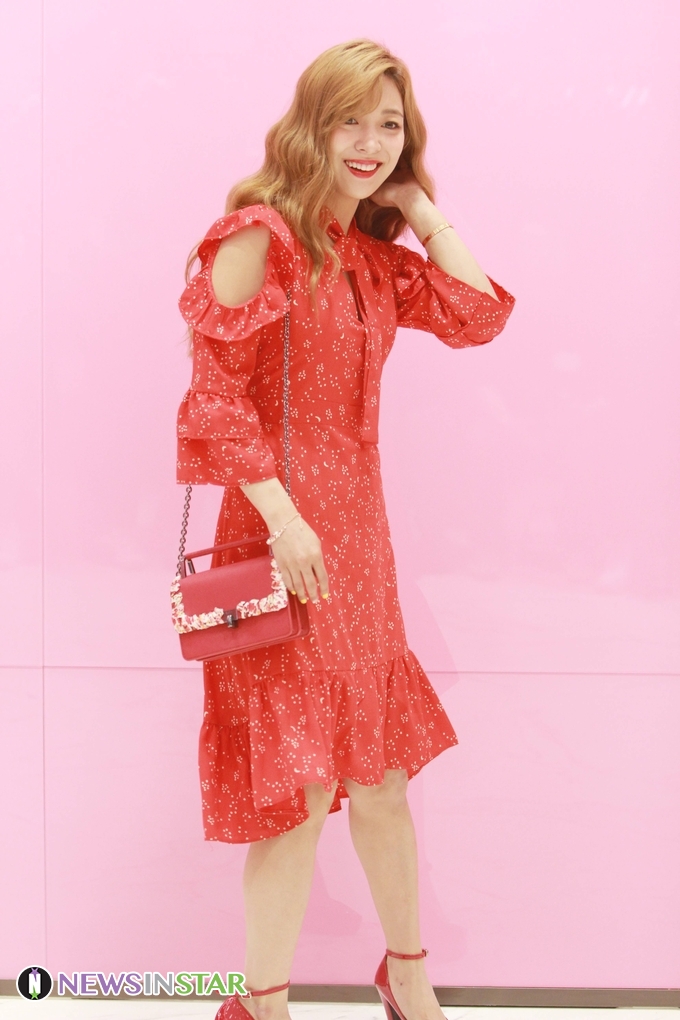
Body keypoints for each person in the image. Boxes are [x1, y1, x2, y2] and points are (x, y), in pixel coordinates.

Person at [176, 38, 515, 1020]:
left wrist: (418, 207)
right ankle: (261, 1003)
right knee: (296, 796)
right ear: (310, 126)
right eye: (350, 120)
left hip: (360, 542)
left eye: (390, 125)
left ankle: (405, 973)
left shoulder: (372, 258)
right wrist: (283, 521)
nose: (369, 142)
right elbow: (213, 398)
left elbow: (479, 315)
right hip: (274, 536)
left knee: (381, 779)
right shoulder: (257, 234)